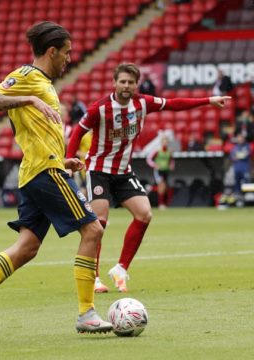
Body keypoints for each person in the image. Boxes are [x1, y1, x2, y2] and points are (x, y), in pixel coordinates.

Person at [0, 21, 112, 341]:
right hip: (44, 173)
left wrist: (64, 159)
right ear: (51, 51)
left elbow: (33, 135)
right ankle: (87, 313)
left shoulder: (45, 84)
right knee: (93, 230)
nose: (69, 59)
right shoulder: (27, 77)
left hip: (41, 169)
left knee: (26, 248)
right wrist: (27, 100)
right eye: (66, 53)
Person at [67, 63, 231, 292]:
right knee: (99, 224)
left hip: (123, 172)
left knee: (144, 214)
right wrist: (68, 161)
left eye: (130, 82)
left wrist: (208, 100)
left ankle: (121, 269)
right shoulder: (100, 108)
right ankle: (93, 277)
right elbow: (78, 132)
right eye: (122, 81)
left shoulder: (142, 103)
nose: (126, 86)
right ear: (114, 83)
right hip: (99, 170)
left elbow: (174, 104)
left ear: (136, 85)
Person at [146, 136, 175, 210]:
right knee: (161, 186)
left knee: (164, 187)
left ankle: (150, 188)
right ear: (161, 142)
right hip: (158, 171)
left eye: (166, 141)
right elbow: (149, 159)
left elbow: (171, 160)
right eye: (164, 141)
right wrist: (154, 165)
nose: (165, 143)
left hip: (165, 171)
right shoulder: (157, 151)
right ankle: (161, 204)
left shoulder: (169, 151)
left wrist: (171, 165)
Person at [229, 132, 251, 202]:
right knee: (237, 184)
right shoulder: (235, 147)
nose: (240, 139)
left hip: (245, 168)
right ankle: (238, 198)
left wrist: (238, 156)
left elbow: (245, 155)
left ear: (244, 139)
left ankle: (248, 198)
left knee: (246, 183)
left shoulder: (247, 146)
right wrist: (238, 156)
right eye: (238, 138)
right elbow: (232, 156)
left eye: (241, 138)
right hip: (237, 168)